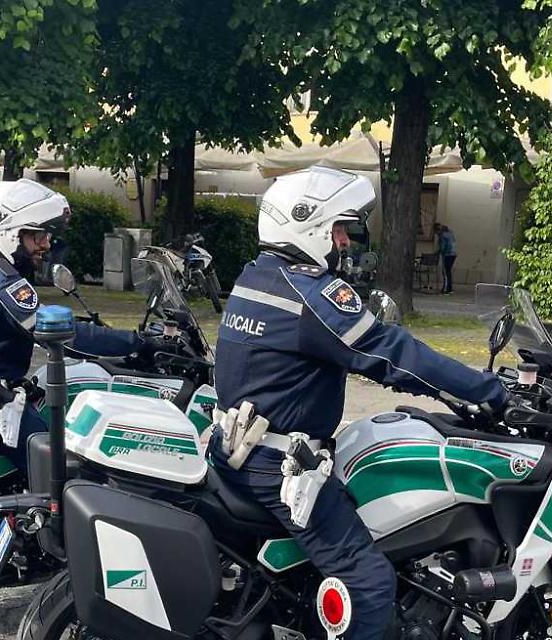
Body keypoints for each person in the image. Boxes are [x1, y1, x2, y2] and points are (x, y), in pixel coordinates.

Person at [212, 166, 508, 640]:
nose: (345, 241)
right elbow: (392, 354)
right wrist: (487, 390)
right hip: (275, 469)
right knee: (369, 584)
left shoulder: (256, 277)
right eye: (338, 229)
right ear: (307, 225)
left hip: (234, 451)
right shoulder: (312, 295)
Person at [0, 179, 149, 471]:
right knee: (65, 469)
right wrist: (137, 343)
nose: (46, 244)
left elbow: (26, 318)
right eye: (38, 236)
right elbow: (61, 335)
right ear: (10, 233)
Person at [434, 222, 457, 294]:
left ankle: (446, 289)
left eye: (436, 232)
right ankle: (449, 288)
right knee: (448, 272)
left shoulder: (442, 236)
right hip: (453, 254)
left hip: (447, 254)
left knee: (446, 272)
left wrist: (438, 252)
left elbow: (443, 246)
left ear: (438, 230)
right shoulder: (450, 233)